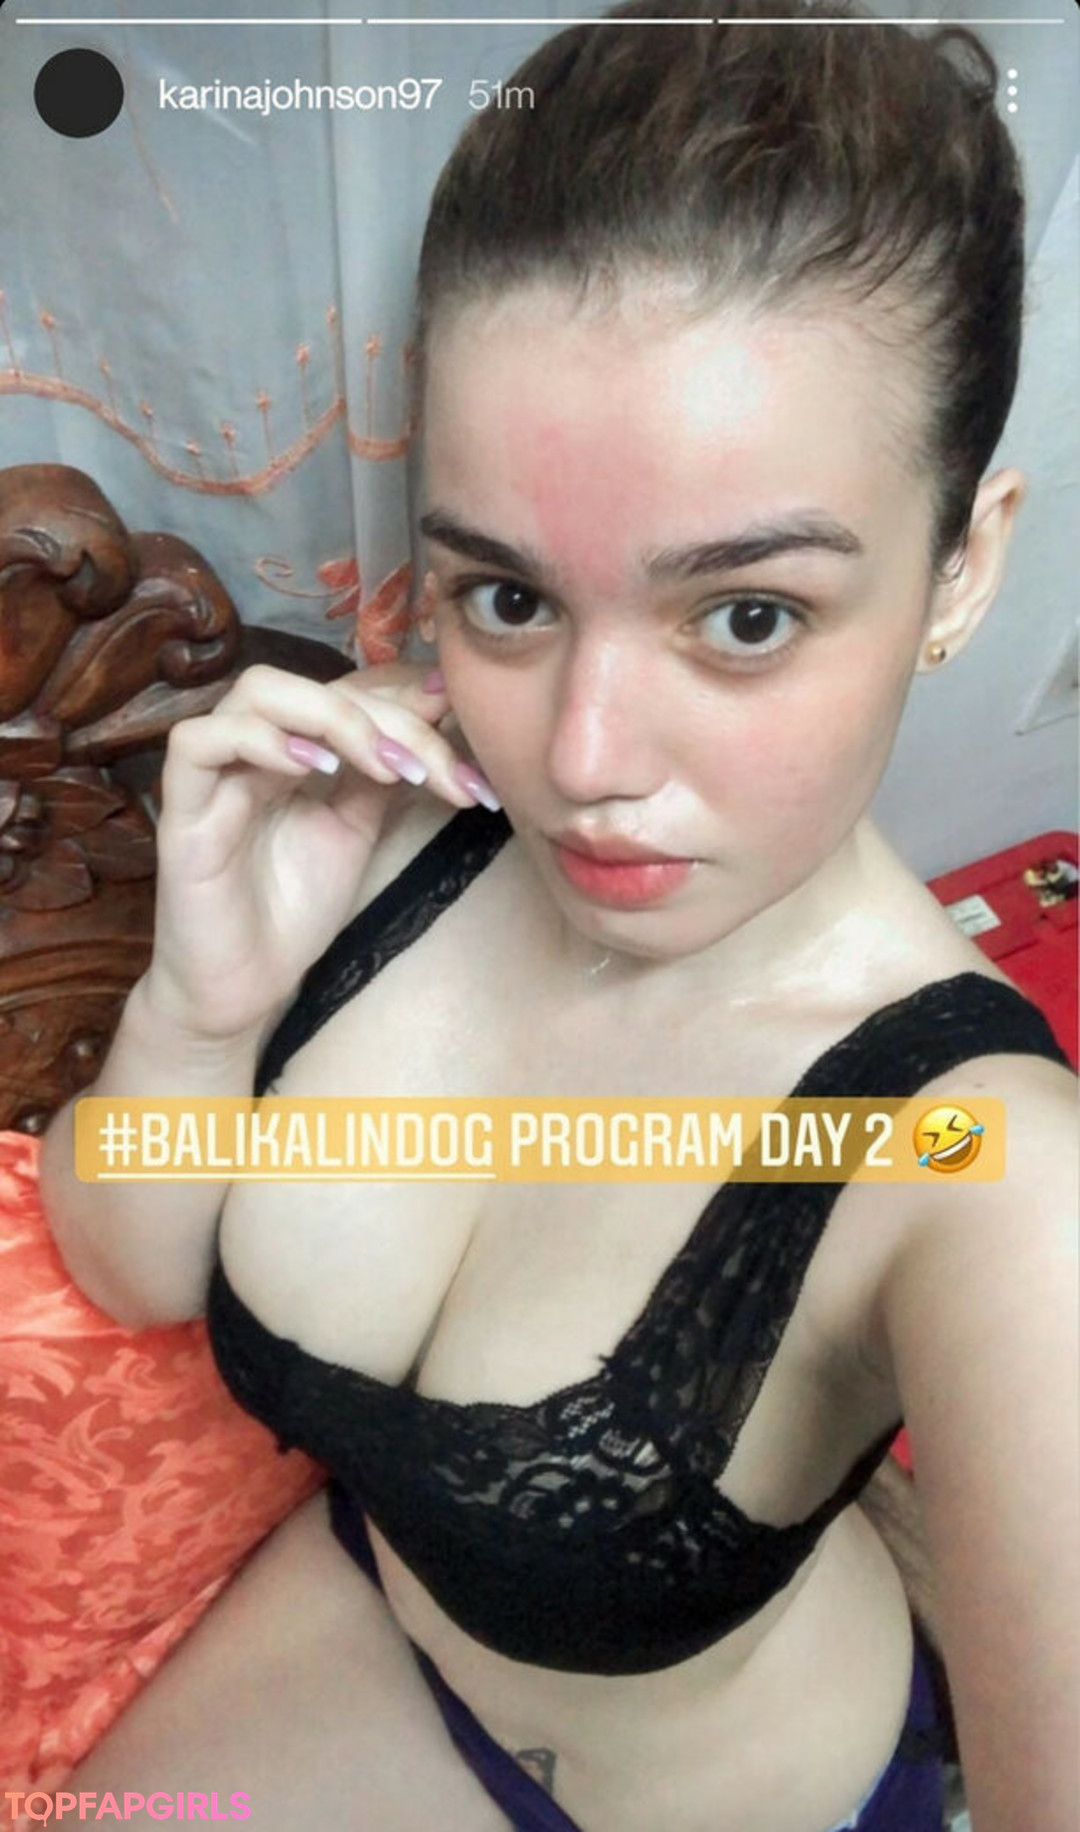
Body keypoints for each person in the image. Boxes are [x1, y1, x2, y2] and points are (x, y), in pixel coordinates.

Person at [38, 2, 1077, 1829]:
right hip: (367, 1615)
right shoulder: (387, 821)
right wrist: (204, 1008)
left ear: (959, 566)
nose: (582, 764)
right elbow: (129, 1269)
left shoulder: (985, 1179)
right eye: (508, 599)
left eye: (745, 616)